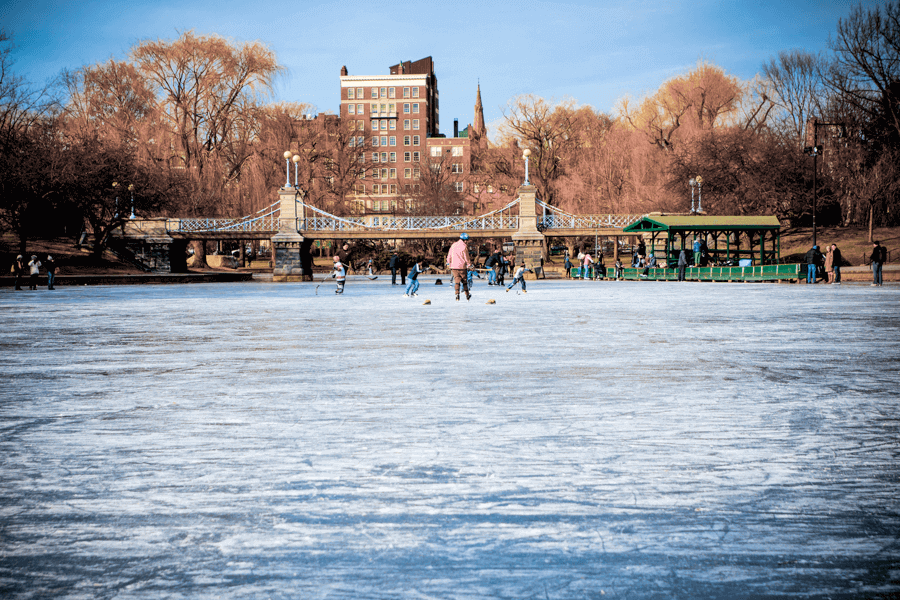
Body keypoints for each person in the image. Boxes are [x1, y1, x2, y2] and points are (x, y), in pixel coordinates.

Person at [446, 232, 473, 301]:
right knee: (464, 281)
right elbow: (466, 257)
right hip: (462, 267)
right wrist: (469, 265)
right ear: (465, 240)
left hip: (454, 267)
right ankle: (467, 295)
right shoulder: (464, 247)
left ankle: (457, 294)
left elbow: (449, 255)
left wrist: (448, 263)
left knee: (457, 281)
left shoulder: (453, 245)